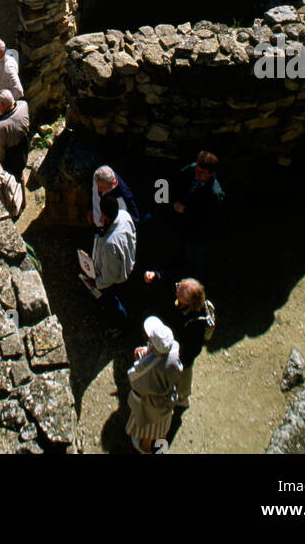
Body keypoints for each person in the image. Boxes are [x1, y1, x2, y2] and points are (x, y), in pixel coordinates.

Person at [143, 274, 211, 411]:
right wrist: (156, 276)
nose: (176, 290)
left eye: (179, 293)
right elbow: (169, 283)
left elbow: (192, 351)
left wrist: (176, 361)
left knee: (184, 376)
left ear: (188, 303)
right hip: (173, 340)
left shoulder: (196, 323)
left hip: (182, 355)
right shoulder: (181, 292)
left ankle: (183, 399)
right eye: (178, 286)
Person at [126, 316, 182, 455]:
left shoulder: (149, 367)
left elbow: (134, 379)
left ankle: (145, 450)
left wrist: (141, 360)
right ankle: (161, 451)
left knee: (149, 435)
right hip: (168, 402)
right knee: (163, 431)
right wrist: (149, 353)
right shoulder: (174, 351)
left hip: (151, 407)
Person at [83, 192, 137, 327]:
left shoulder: (109, 245)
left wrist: (96, 284)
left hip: (115, 282)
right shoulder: (124, 215)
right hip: (129, 264)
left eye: (102, 214)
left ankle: (121, 326)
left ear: (106, 216)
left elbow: (109, 277)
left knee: (114, 305)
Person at [170, 151, 224, 280]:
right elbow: (174, 183)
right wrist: (173, 200)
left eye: (201, 173)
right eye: (197, 170)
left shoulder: (214, 194)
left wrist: (186, 210)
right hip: (180, 225)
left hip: (197, 235)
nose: (197, 174)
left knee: (195, 262)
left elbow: (208, 219)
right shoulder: (190, 170)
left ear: (211, 173)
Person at [0, 89, 30, 180]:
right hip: (24, 145)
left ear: (3, 105)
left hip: (12, 158)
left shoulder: (0, 127)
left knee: (13, 181)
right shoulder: (24, 105)